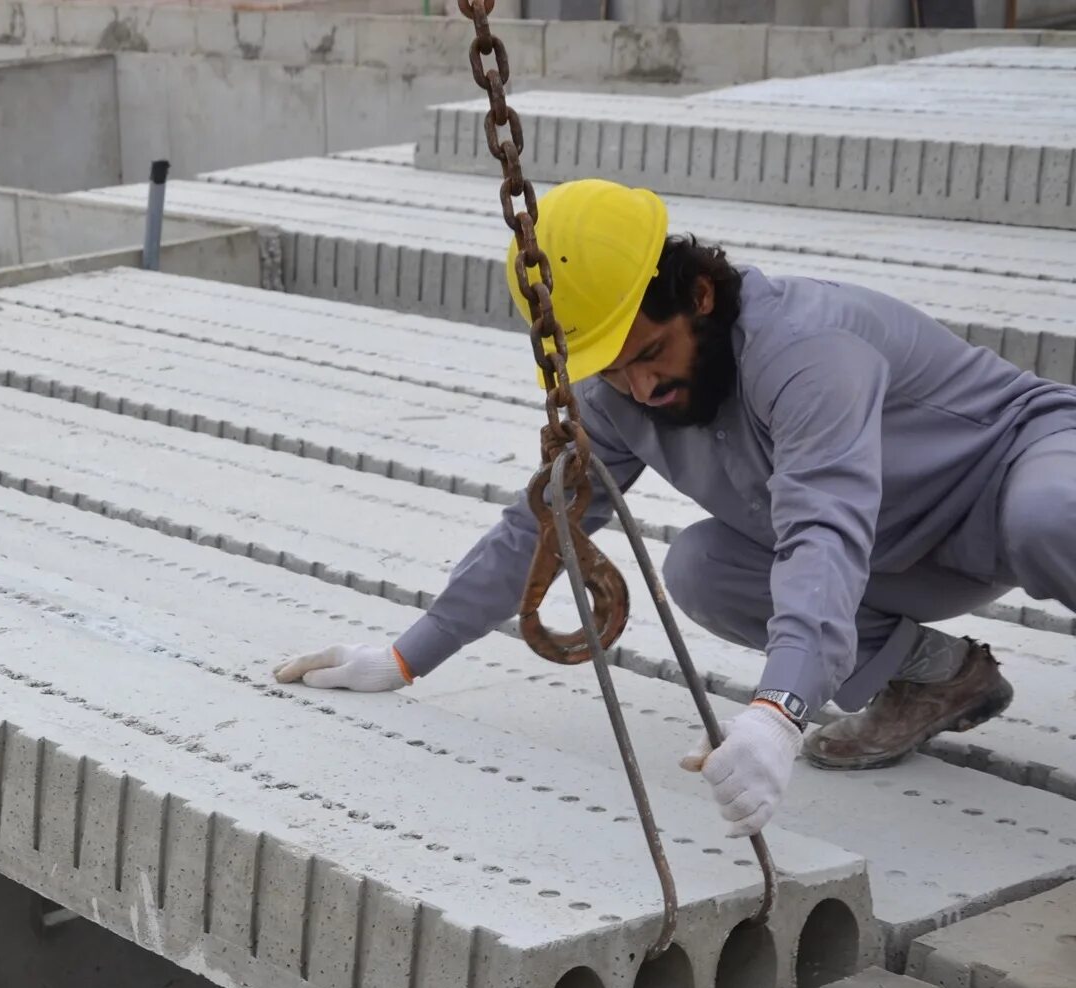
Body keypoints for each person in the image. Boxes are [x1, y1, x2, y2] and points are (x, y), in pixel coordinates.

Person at [274, 178, 1076, 840]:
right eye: (617, 372)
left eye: (653, 354)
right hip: (904, 555)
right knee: (703, 568)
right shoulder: (629, 396)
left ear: (701, 293)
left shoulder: (806, 350)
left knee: (1051, 514)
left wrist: (779, 709)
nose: (645, 389)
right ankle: (943, 678)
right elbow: (542, 524)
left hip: (1011, 472)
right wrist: (409, 654)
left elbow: (822, 527)